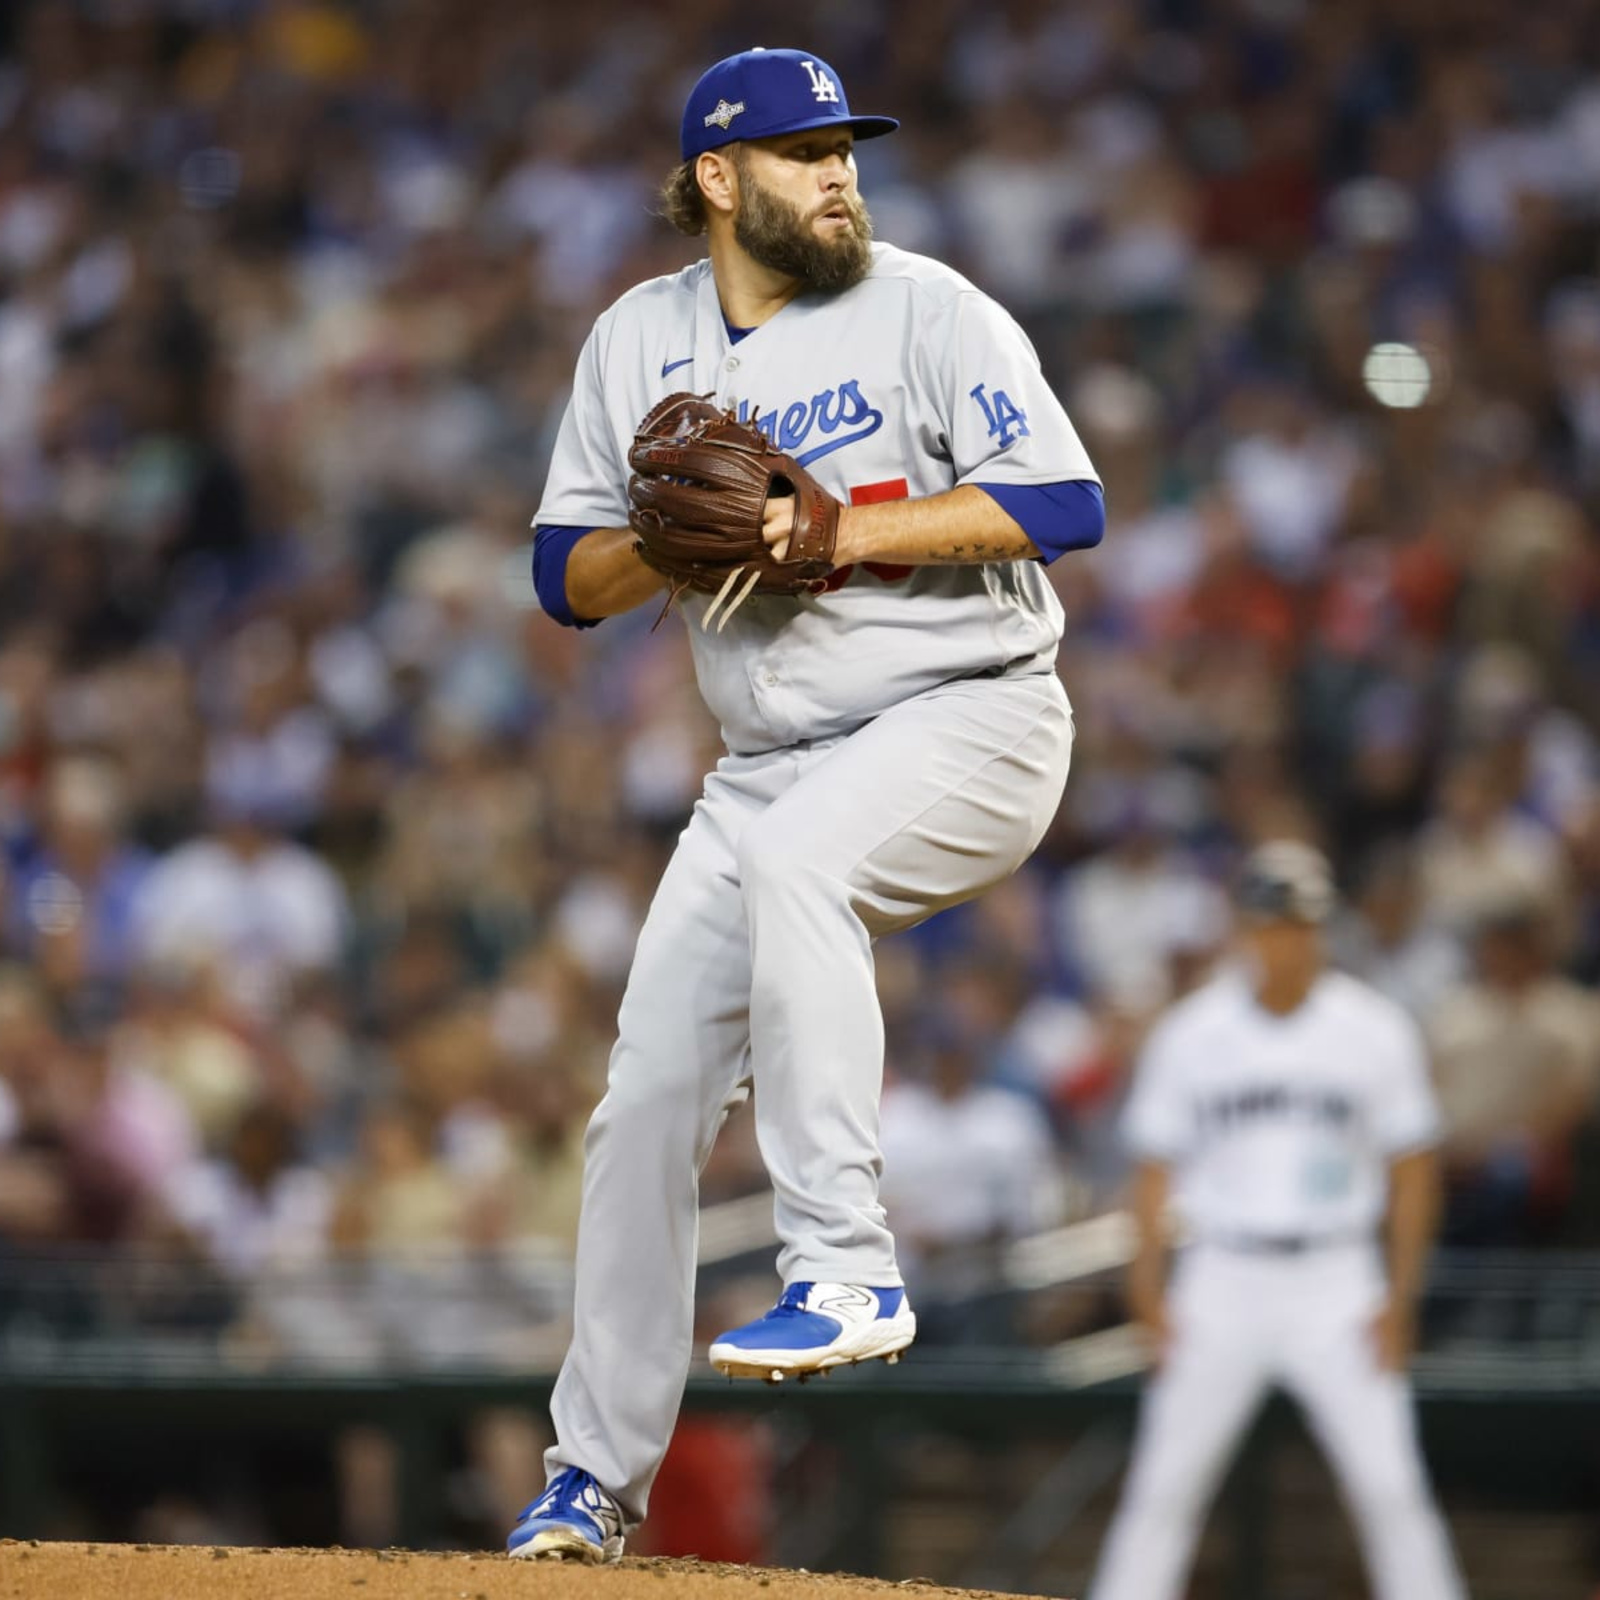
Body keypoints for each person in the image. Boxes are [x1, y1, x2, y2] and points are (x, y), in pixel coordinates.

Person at [509, 45, 1104, 1562]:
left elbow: (1063, 503)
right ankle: (593, 1481)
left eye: (846, 148)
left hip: (968, 709)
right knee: (641, 1102)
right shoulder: (635, 338)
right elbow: (564, 580)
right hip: (764, 763)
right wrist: (673, 538)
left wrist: (833, 530)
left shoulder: (927, 304)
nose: (839, 173)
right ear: (718, 178)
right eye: (801, 151)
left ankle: (847, 1267)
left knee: (801, 872)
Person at [1087, 841, 1466, 1600]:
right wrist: (1147, 1293)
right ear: (1244, 929)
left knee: (1390, 1487)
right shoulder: (1193, 1032)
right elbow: (1153, 1170)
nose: (1287, 937)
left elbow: (1414, 1169)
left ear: (1320, 928)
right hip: (1222, 1274)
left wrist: (1401, 1294)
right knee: (1163, 1490)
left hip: (1337, 1276)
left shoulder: (1373, 1027)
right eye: (1271, 922)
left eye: (1300, 923)